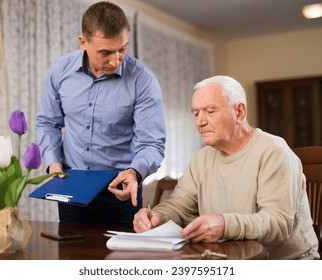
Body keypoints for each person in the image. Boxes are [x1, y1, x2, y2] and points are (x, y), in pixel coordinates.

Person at [133, 75, 320, 259]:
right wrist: (158, 215)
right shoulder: (201, 159)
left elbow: (278, 224)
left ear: (239, 112)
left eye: (210, 111)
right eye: (196, 113)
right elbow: (178, 206)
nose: (200, 121)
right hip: (229, 260)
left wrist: (224, 224)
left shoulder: (274, 151)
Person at [35, 1, 166, 225]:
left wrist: (135, 172)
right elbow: (48, 123)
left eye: (122, 49)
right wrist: (53, 163)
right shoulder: (59, 71)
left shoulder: (143, 81)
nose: (116, 60)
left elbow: (151, 142)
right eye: (105, 52)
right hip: (71, 184)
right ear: (83, 42)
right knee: (71, 257)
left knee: (124, 259)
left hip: (122, 187)